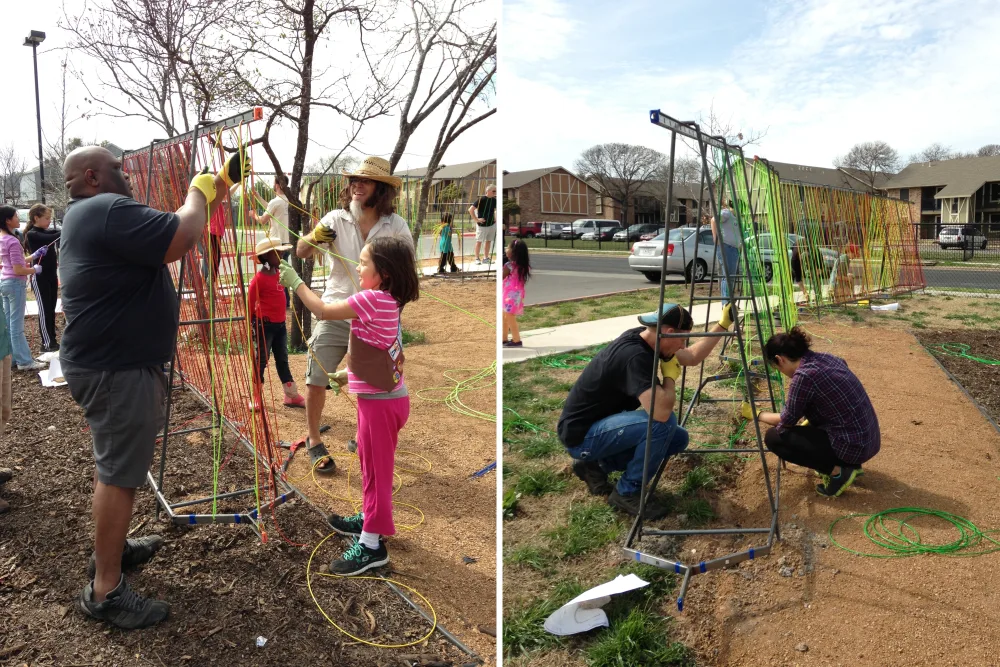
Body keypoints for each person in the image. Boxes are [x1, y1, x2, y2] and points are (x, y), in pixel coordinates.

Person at [59, 145, 250, 629]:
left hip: (112, 364)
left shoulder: (91, 215)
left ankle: (113, 552)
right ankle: (105, 590)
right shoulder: (104, 209)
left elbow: (169, 232)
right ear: (91, 176)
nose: (127, 175)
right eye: (118, 168)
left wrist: (217, 189)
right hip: (115, 368)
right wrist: (196, 192)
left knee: (119, 466)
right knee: (119, 474)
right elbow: (180, 234)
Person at [278, 236, 419, 575]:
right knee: (371, 469)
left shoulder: (371, 299)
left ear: (382, 272)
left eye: (364, 263)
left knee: (376, 474)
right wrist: (346, 373)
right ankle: (369, 520)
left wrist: (296, 282)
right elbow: (378, 349)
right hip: (386, 400)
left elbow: (323, 310)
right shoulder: (389, 300)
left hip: (381, 406)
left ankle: (372, 546)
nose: (357, 267)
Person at [558, 302, 737, 517]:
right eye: (682, 338)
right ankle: (627, 492)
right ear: (669, 333)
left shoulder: (651, 340)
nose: (682, 346)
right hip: (582, 436)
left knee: (677, 438)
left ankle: (595, 466)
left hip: (602, 426)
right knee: (663, 424)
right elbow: (660, 412)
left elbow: (691, 357)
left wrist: (722, 324)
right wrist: (669, 378)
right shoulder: (635, 357)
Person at [295, 156, 414, 475]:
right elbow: (301, 251)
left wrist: (388, 309)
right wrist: (313, 238)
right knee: (316, 379)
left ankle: (364, 437)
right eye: (354, 180)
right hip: (335, 311)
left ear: (382, 190)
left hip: (376, 320)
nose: (356, 185)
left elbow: (406, 273)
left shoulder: (396, 226)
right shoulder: (335, 219)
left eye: (365, 180)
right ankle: (314, 440)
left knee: (377, 382)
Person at [750, 327, 880, 497]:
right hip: (868, 440)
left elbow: (786, 420)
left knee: (775, 437)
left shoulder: (804, 377)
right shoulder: (826, 358)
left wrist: (757, 414)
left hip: (854, 446)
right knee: (809, 424)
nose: (781, 372)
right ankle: (850, 465)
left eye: (777, 368)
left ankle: (839, 472)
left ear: (779, 359)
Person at [247, 237, 304, 410]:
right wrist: (250, 327)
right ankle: (256, 396)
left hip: (280, 326)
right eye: (276, 252)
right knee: (261, 360)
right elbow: (249, 305)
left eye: (281, 251)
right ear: (265, 256)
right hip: (264, 327)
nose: (281, 254)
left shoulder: (280, 274)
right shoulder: (258, 280)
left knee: (282, 359)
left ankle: (291, 395)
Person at [0, 206, 47, 371]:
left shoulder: (3, 238)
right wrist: (35, 269)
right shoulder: (12, 240)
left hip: (5, 283)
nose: (18, 219)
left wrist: (34, 256)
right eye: (15, 216)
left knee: (9, 325)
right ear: (7, 220)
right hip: (14, 284)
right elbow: (18, 269)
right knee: (16, 326)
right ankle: (25, 361)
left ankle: (12, 358)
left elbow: (16, 261)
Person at [24, 204, 61, 352]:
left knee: (51, 308)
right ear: (36, 218)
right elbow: (54, 236)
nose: (49, 221)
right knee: (45, 309)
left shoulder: (45, 231)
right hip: (40, 278)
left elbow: (54, 232)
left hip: (51, 276)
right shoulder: (33, 234)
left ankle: (52, 339)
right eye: (46, 218)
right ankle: (47, 343)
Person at [709, 198, 742, 298]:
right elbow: (714, 220)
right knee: (728, 276)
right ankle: (726, 302)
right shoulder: (727, 213)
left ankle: (729, 301)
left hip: (733, 249)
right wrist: (716, 238)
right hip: (726, 247)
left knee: (730, 276)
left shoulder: (735, 217)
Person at [502, 238, 530, 347]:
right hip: (516, 295)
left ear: (513, 252)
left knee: (509, 316)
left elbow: (501, 277)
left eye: (508, 248)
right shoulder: (523, 266)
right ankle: (503, 338)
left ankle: (516, 340)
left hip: (509, 295)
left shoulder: (509, 266)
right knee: (505, 315)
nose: (506, 250)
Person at [468, 183, 496, 265]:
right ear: (488, 191)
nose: (495, 193)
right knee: (479, 241)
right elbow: (470, 210)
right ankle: (477, 258)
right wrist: (476, 219)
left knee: (488, 241)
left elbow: (494, 210)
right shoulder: (481, 199)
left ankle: (486, 258)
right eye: (494, 191)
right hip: (482, 225)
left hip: (491, 224)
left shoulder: (494, 200)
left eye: (496, 191)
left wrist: (495, 218)